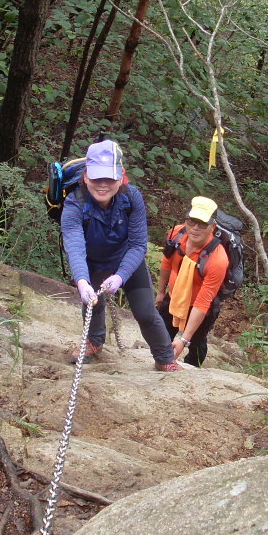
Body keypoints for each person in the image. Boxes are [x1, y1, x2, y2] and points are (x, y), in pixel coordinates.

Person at [61, 140, 180, 371]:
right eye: (96, 178)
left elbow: (137, 244)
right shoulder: (74, 203)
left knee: (146, 313)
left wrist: (120, 276)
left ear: (121, 176)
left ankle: (165, 358)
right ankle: (93, 342)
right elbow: (75, 245)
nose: (103, 184)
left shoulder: (131, 198)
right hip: (92, 263)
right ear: (86, 177)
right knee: (92, 302)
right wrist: (82, 281)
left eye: (110, 178)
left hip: (127, 260)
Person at [156, 196, 228, 367]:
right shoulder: (177, 234)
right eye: (191, 221)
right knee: (160, 335)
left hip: (200, 305)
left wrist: (184, 339)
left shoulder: (217, 259)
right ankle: (161, 363)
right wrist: (160, 292)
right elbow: (167, 263)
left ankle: (194, 369)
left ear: (213, 226)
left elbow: (203, 302)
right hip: (173, 296)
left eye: (202, 224)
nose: (195, 228)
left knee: (196, 343)